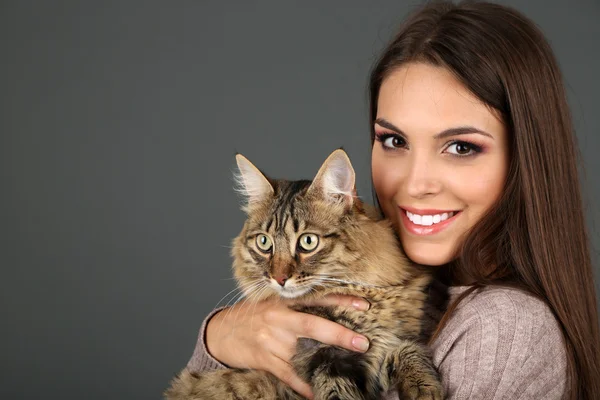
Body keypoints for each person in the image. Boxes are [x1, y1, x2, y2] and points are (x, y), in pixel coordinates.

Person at [181, 1, 600, 399]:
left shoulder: (503, 328)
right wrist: (218, 338)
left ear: (525, 159)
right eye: (394, 140)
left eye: (461, 147)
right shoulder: (415, 285)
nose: (416, 184)